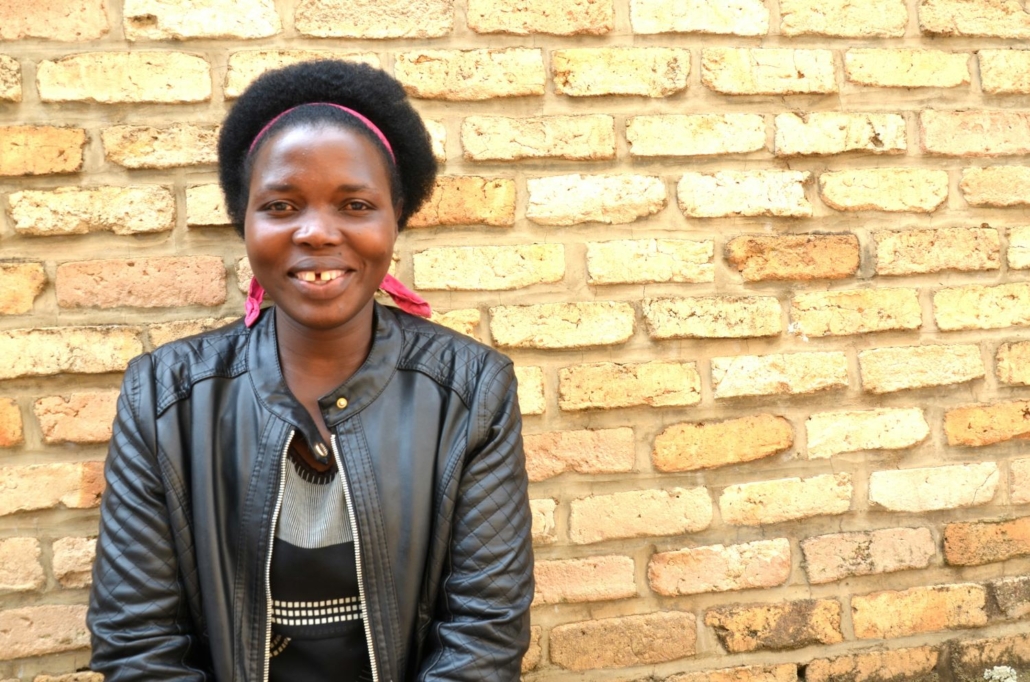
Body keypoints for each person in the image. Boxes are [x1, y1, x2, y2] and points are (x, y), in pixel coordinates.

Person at [87, 60, 534, 682]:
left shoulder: (472, 390)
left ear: (395, 218)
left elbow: (484, 635)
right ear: (245, 220)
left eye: (355, 204)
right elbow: (137, 641)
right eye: (280, 205)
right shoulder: (164, 397)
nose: (318, 232)